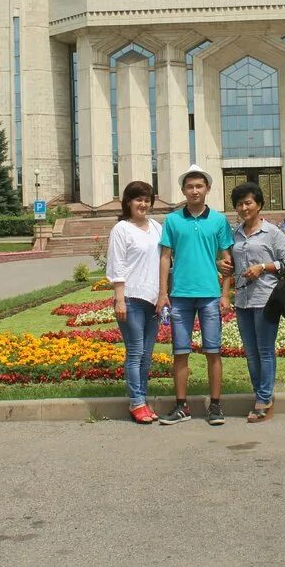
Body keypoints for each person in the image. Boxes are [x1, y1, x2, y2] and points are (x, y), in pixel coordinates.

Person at [157, 164, 233, 426]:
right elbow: (165, 258)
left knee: (213, 351)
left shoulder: (219, 221)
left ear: (208, 189)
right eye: (189, 186)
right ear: (183, 190)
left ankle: (216, 406)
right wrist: (162, 292)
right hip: (180, 295)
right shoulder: (173, 220)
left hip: (210, 295)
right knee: (180, 351)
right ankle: (181, 406)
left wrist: (225, 294)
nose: (194, 190)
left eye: (199, 186)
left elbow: (227, 259)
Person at [221, 181, 285, 422]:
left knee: (264, 350)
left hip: (266, 299)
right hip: (242, 301)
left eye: (248, 203)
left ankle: (264, 398)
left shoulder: (273, 233)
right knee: (250, 352)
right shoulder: (235, 234)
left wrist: (262, 267)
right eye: (239, 204)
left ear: (259, 204)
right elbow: (228, 266)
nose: (243, 208)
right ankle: (260, 394)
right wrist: (221, 266)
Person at [106, 181, 163, 424]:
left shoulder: (157, 227)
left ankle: (142, 398)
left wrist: (164, 294)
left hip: (153, 299)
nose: (143, 204)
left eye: (147, 199)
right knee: (135, 352)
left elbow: (165, 261)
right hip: (131, 298)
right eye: (138, 199)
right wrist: (120, 298)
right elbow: (116, 264)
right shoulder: (122, 229)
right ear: (128, 202)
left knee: (147, 355)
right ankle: (136, 402)